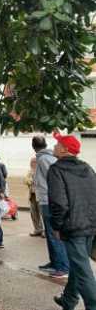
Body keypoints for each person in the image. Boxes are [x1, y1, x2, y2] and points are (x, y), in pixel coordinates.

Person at [48, 132, 96, 310]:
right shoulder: (88, 167)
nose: (54, 147)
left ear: (64, 150)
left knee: (83, 270)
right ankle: (68, 299)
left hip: (73, 226)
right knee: (79, 264)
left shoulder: (56, 169)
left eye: (57, 144)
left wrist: (57, 226)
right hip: (90, 225)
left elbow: (59, 203)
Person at [33, 135, 69, 278]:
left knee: (54, 234)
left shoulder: (43, 159)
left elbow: (54, 179)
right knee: (50, 234)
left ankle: (63, 267)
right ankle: (55, 262)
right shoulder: (46, 157)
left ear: (33, 146)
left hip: (49, 201)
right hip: (47, 199)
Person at [25, 156, 44, 237]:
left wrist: (32, 180)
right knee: (33, 213)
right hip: (32, 195)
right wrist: (31, 180)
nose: (31, 164)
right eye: (31, 162)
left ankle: (44, 230)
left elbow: (39, 182)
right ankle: (37, 229)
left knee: (42, 214)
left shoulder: (41, 171)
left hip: (40, 195)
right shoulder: (30, 171)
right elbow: (26, 180)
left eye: (33, 162)